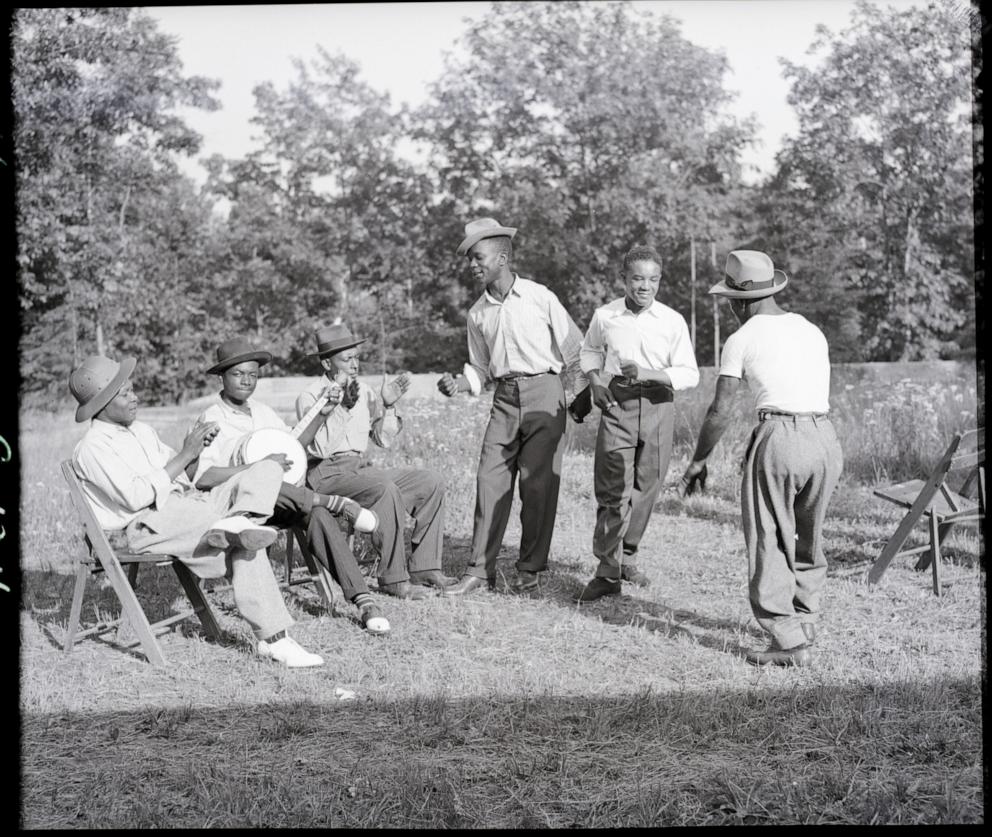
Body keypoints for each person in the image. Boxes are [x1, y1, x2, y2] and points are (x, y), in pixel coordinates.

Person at [69, 354, 325, 667]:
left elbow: (185, 474)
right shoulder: (93, 447)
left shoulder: (142, 430)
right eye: (125, 393)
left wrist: (197, 449)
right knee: (244, 537)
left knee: (267, 468)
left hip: (187, 506)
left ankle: (237, 523)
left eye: (132, 389)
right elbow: (136, 498)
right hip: (147, 522)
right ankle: (274, 638)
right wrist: (187, 453)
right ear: (102, 403)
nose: (135, 397)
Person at [677, 250, 843, 667]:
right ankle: (805, 619)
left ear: (738, 301)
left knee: (769, 535)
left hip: (780, 437)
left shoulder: (742, 338)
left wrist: (698, 461)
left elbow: (721, 411)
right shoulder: (810, 328)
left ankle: (787, 642)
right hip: (825, 436)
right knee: (810, 533)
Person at [190, 338, 390, 636]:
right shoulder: (211, 417)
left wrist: (323, 413)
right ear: (222, 377)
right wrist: (259, 467)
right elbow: (203, 477)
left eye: (253, 375)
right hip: (238, 510)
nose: (246, 380)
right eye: (237, 374)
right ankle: (335, 503)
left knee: (316, 516)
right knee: (267, 476)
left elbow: (294, 447)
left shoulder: (263, 412)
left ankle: (363, 601)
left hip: (279, 501)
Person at [437, 217, 585, 596]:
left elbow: (575, 350)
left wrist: (576, 398)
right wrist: (461, 382)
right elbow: (481, 367)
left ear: (502, 258)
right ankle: (478, 571)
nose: (472, 265)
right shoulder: (477, 313)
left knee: (538, 487)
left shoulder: (540, 297)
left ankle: (530, 568)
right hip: (504, 399)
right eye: (469, 259)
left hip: (545, 393)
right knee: (490, 480)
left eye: (478, 257)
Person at [575, 245, 699, 602]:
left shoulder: (672, 320)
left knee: (648, 487)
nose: (645, 286)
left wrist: (649, 373)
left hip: (659, 403)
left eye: (653, 279)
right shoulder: (606, 315)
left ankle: (627, 556)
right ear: (624, 280)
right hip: (619, 401)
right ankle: (606, 570)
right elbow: (589, 351)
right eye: (638, 279)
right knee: (613, 487)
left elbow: (689, 373)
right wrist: (596, 381)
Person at [296, 323, 453, 600]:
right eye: (347, 359)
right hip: (325, 473)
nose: (354, 364)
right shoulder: (310, 395)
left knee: (430, 481)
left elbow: (382, 440)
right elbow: (319, 447)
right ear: (326, 363)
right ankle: (394, 579)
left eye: (357, 357)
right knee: (383, 488)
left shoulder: (364, 391)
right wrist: (341, 408)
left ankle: (425, 566)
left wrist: (389, 406)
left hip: (358, 469)